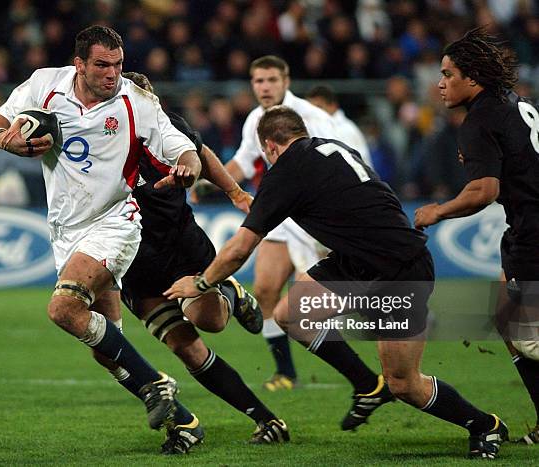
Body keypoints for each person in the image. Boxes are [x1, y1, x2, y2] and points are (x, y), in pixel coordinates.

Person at [167, 105, 509, 460]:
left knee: (404, 383)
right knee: (291, 314)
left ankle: (485, 425)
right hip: (355, 262)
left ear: (269, 146)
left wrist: (202, 283)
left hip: (395, 270)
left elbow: (239, 250)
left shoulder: (287, 170)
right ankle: (366, 384)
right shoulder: (334, 148)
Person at [0, 25, 201, 451]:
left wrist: (188, 166)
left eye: (118, 64)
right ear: (79, 64)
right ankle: (185, 422)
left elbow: (180, 146)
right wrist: (5, 140)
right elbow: (2, 117)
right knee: (107, 350)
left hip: (115, 221)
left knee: (64, 309)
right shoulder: (45, 85)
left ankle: (157, 384)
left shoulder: (135, 100)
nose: (112, 73)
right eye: (102, 65)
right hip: (65, 229)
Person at [93, 71, 289, 450]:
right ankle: (265, 419)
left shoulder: (167, 128)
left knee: (208, 320)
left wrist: (231, 190)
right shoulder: (100, 138)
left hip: (180, 247)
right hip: (134, 265)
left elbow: (199, 154)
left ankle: (228, 292)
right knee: (187, 349)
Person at [415, 27, 539, 446]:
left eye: (448, 74)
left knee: (524, 332)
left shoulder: (480, 119)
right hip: (522, 228)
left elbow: (484, 191)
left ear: (473, 78)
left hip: (534, 232)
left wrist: (437, 211)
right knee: (510, 319)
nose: (440, 83)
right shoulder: (515, 103)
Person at [220, 55, 373, 391]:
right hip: (282, 218)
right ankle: (286, 371)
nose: (265, 87)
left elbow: (344, 163)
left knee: (312, 302)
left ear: (286, 81)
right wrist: (213, 182)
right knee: (265, 290)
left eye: (272, 80)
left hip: (316, 219)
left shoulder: (312, 118)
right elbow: (243, 163)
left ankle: (373, 338)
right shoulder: (254, 120)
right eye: (259, 81)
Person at [305, 85, 373, 167]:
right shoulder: (312, 126)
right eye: (309, 108)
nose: (314, 112)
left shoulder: (346, 129)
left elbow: (354, 166)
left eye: (319, 107)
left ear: (333, 106)